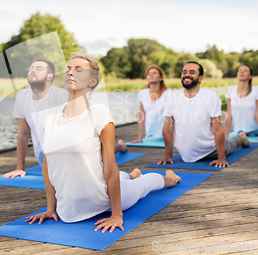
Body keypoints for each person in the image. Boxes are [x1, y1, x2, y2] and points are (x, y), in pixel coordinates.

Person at [26, 53, 181, 232]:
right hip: (68, 208)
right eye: (68, 69)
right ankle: (131, 174)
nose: (70, 73)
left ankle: (169, 178)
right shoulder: (49, 117)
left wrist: (116, 215)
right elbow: (47, 167)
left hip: (103, 199)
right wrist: (51, 209)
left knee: (144, 185)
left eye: (78, 70)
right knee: (119, 177)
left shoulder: (100, 113)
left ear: (92, 81)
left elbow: (110, 168)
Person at [155, 61, 251, 168]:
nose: (187, 75)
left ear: (200, 78)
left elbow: (217, 129)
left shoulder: (210, 96)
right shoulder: (171, 97)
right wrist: (168, 156)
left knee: (231, 143)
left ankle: (242, 138)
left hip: (210, 149)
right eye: (184, 72)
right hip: (186, 155)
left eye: (192, 72)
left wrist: (221, 158)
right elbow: (167, 128)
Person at [3, 58, 68, 178]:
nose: (32, 71)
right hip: (42, 159)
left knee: (104, 149)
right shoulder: (22, 96)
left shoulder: (62, 96)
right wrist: (20, 168)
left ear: (49, 77)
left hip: (66, 158)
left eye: (39, 69)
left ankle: (115, 145)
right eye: (31, 68)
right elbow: (23, 132)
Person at [224, 65, 258, 141]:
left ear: (250, 76)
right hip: (239, 130)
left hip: (255, 129)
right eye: (240, 70)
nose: (242, 72)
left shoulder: (257, 89)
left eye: (245, 70)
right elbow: (229, 112)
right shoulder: (231, 89)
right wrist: (226, 134)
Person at [129, 65, 171, 143]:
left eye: (154, 73)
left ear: (160, 78)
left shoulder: (168, 93)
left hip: (167, 136)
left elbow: (173, 118)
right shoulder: (143, 93)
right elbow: (141, 117)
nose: (151, 75)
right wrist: (140, 138)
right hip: (150, 137)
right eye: (149, 74)